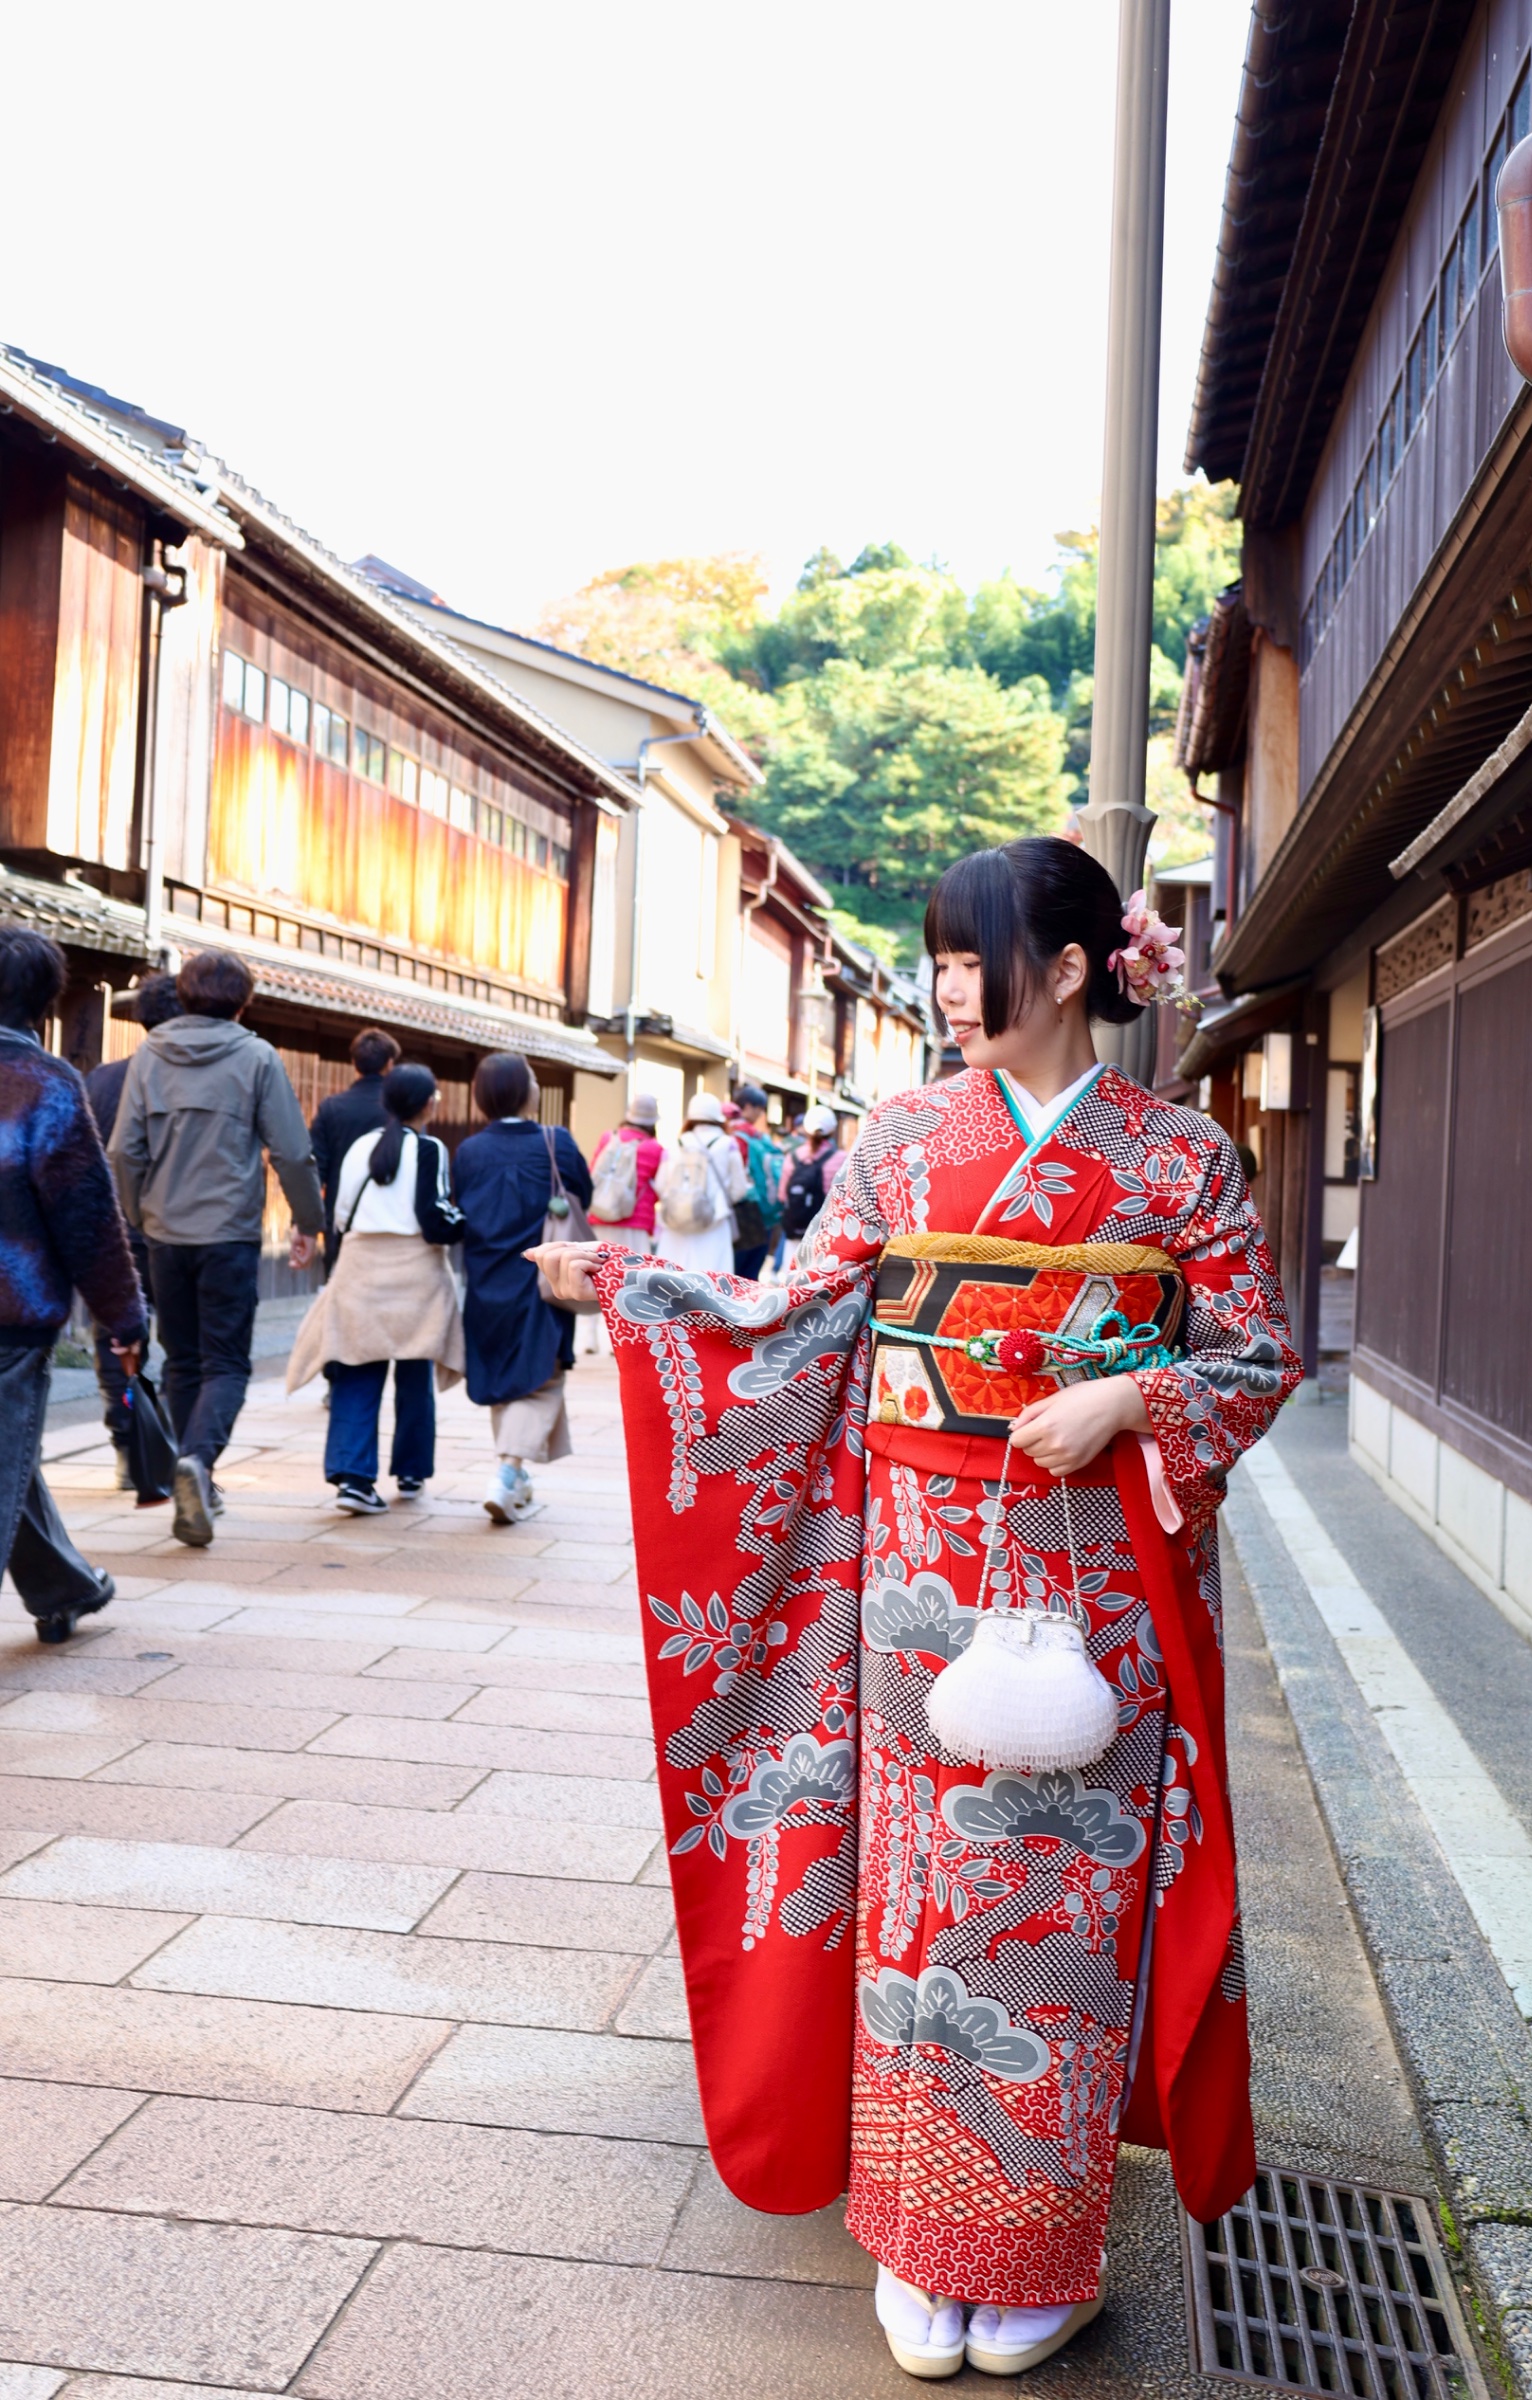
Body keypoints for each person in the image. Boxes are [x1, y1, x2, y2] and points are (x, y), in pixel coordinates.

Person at [534, 835, 1300, 2380]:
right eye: (941, 961)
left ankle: (1034, 2254)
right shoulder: (897, 1140)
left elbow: (1258, 1351)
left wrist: (1132, 1399)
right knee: (917, 1892)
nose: (948, 990)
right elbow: (799, 1313)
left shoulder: (1181, 1159)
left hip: (1096, 1572)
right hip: (920, 1567)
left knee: (1059, 1900)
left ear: (1071, 969)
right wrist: (631, 1288)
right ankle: (912, 2232)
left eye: (972, 961)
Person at [110, 948, 323, 1549]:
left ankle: (193, 1469)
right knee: (226, 1363)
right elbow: (291, 1151)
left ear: (183, 995)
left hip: (164, 1233)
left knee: (181, 1360)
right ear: (243, 1003)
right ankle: (198, 1463)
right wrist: (308, 1221)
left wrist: (139, 1214)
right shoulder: (256, 1056)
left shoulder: (150, 1054)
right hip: (227, 1232)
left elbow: (123, 1150)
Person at [0, 926, 146, 1644]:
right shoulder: (46, 1083)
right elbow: (86, 1215)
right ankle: (62, 1586)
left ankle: (62, 1587)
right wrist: (124, 1316)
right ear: (42, 1002)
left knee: (9, 1454)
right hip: (11, 1310)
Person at [285, 1062, 464, 1513]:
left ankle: (353, 1479)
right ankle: (411, 1471)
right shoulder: (430, 1149)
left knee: (356, 1368)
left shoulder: (361, 1147)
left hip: (361, 1270)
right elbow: (435, 1219)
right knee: (415, 1372)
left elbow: (341, 1216)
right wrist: (469, 1223)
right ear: (428, 1104)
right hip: (415, 1275)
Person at [454, 1052, 592, 1525]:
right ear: (524, 1091)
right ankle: (508, 1472)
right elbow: (583, 1195)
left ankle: (516, 1477)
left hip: (486, 1281)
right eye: (532, 1078)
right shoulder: (556, 1142)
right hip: (542, 1276)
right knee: (542, 1375)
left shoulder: (469, 1151)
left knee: (506, 1376)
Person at [83, 973, 181, 1485]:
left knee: (116, 1342)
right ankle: (167, 1443)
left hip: (114, 1234)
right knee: (183, 1346)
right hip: (178, 1231)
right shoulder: (194, 1082)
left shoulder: (101, 1080)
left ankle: (127, 1444)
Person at [310, 1025, 401, 1274]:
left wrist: (306, 1223)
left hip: (342, 1220)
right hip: (389, 1222)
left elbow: (315, 1168)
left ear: (354, 1063)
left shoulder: (331, 1107)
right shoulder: (401, 1112)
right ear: (389, 1064)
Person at [653, 1090, 751, 1276]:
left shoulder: (676, 1143)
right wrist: (722, 1201)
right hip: (714, 1222)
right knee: (712, 1280)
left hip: (675, 1224)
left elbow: (660, 1184)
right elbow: (739, 1188)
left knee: (672, 1278)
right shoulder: (728, 1144)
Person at [587, 1091, 664, 1251]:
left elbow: (592, 1172)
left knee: (599, 1264)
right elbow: (660, 1188)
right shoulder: (654, 1148)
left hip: (600, 1217)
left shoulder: (608, 1138)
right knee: (634, 1265)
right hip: (635, 1224)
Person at [776, 1102, 843, 1266]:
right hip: (827, 1232)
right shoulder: (842, 1158)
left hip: (796, 1227)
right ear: (833, 1130)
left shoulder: (793, 1157)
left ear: (805, 1129)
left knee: (792, 1274)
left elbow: (782, 1196)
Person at [731, 1083, 786, 1278]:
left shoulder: (731, 1134)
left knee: (733, 1270)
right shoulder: (758, 1138)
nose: (761, 1114)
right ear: (747, 1106)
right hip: (760, 1210)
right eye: (759, 1109)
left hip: (739, 1208)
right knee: (751, 1272)